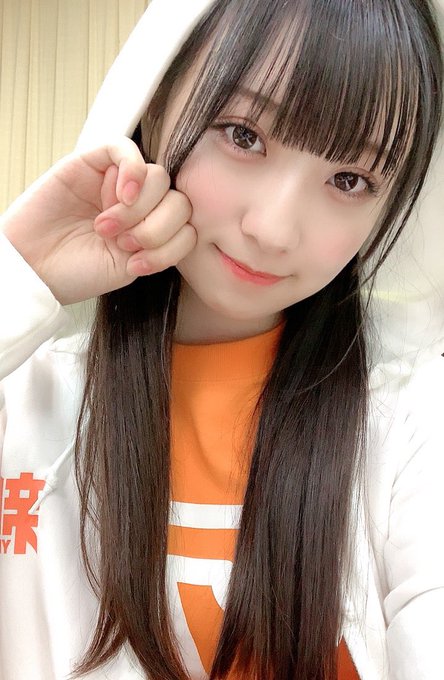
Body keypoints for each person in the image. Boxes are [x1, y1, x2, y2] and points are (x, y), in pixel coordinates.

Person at [0, 0, 443, 679]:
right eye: (243, 135)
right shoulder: (26, 391)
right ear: (155, 106)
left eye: (349, 180)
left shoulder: (415, 414)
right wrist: (19, 276)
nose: (273, 228)